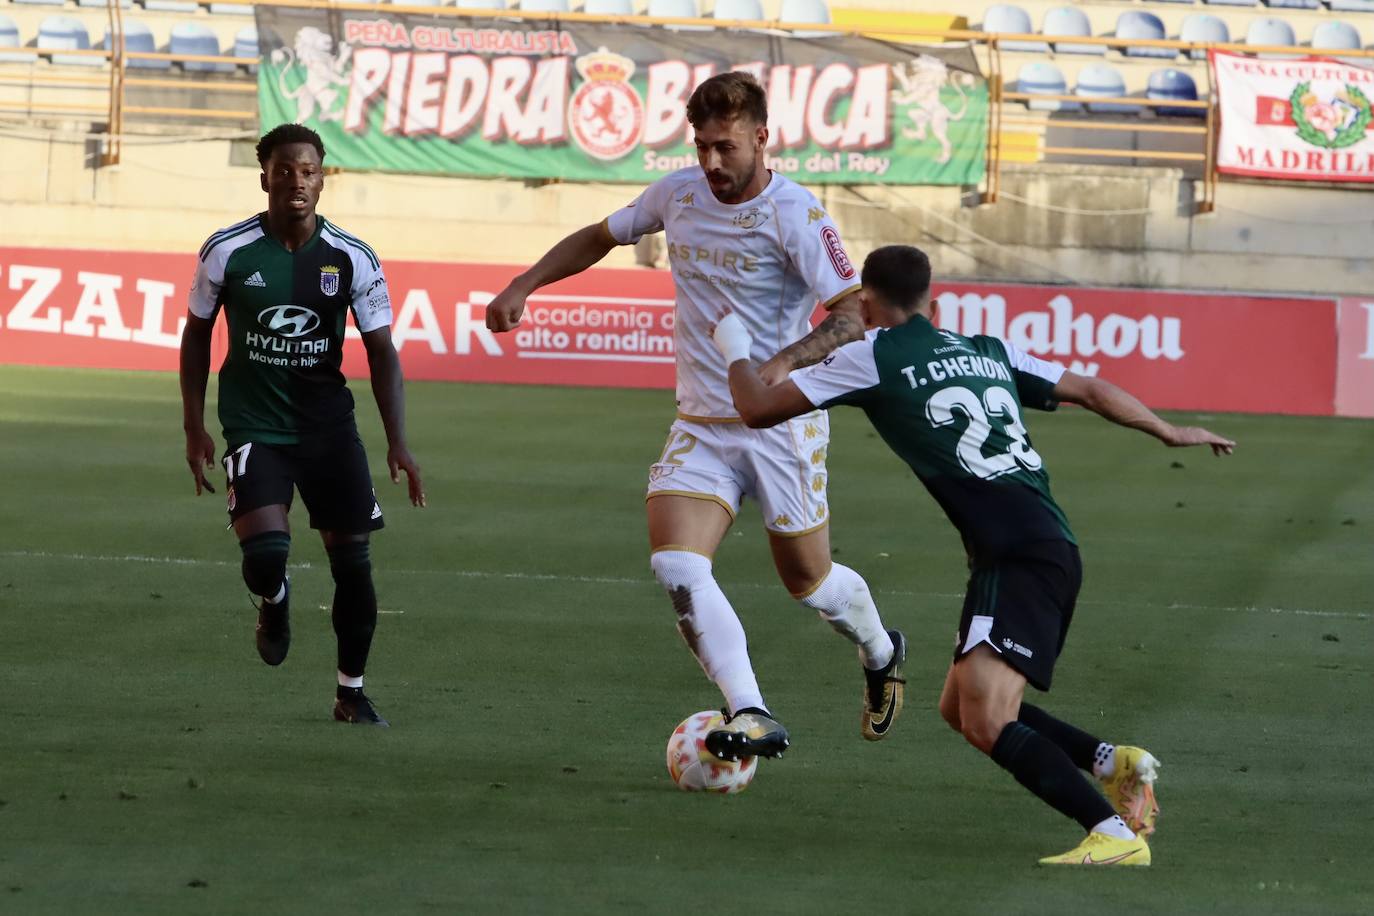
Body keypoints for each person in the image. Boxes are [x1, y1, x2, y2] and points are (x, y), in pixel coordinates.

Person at [712, 244, 1235, 865]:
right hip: (1039, 544)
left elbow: (755, 407)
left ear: (868, 303)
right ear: (932, 299)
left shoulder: (871, 355)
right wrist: (1170, 430)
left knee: (988, 719)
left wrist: (733, 348)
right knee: (961, 707)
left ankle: (1114, 834)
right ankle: (1111, 762)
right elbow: (1090, 388)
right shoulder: (990, 349)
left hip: (1017, 555)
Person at [484, 72, 906, 759]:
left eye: (726, 147)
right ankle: (751, 709)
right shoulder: (676, 194)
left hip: (779, 424)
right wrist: (524, 284)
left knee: (810, 583)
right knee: (677, 563)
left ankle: (882, 652)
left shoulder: (796, 214)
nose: (712, 162)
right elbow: (601, 234)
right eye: (703, 145)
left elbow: (856, 310)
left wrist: (784, 363)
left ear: (762, 138)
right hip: (703, 425)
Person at [179, 123, 425, 727]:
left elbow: (383, 351)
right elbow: (196, 334)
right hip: (255, 425)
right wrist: (193, 425)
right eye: (284, 169)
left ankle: (351, 692)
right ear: (264, 175)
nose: (296, 180)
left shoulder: (352, 257)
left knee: (353, 564)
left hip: (328, 431)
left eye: (308, 170)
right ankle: (275, 598)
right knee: (265, 555)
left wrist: (398, 442)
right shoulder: (227, 250)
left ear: (322, 178)